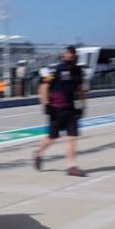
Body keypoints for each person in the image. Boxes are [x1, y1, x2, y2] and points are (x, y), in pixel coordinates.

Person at [34, 46, 86, 177]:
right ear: (63, 57)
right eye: (67, 56)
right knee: (52, 137)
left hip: (71, 109)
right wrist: (46, 104)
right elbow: (43, 87)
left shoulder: (78, 71)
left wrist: (82, 105)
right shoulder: (55, 70)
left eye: (72, 57)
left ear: (75, 57)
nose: (69, 59)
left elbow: (80, 89)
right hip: (56, 109)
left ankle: (71, 167)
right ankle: (38, 153)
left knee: (71, 138)